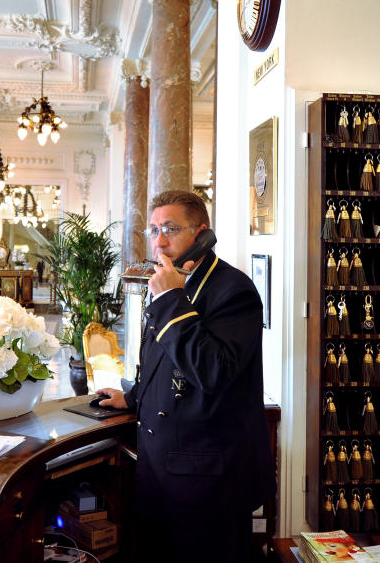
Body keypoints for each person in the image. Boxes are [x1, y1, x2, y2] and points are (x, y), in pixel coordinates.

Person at [96, 190, 273, 562]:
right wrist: (133, 397)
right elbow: (160, 359)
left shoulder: (234, 290)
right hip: (163, 470)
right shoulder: (173, 282)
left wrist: (170, 302)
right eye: (154, 229)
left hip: (209, 479)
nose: (159, 241)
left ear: (202, 234)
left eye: (171, 229)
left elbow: (214, 371)